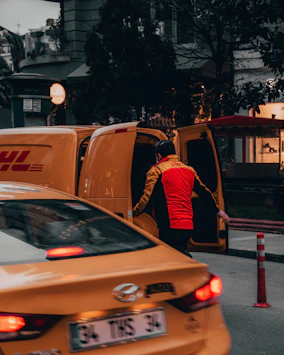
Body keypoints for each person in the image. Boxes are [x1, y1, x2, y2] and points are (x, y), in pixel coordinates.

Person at [133, 140, 230, 254]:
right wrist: (218, 211)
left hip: (169, 223)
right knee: (181, 252)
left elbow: (147, 198)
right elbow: (204, 192)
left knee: (173, 257)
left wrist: (133, 212)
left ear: (159, 155)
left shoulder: (157, 171)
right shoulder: (189, 170)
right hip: (187, 224)